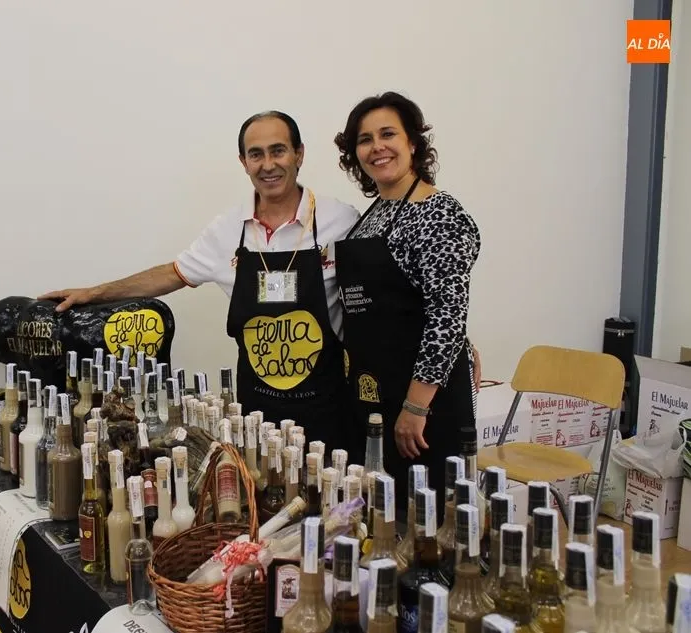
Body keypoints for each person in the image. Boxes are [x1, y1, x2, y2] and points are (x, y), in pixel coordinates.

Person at [39, 111, 359, 452]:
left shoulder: (340, 220)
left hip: (327, 407)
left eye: (278, 150)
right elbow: (172, 274)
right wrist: (93, 293)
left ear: (299, 153)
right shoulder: (227, 230)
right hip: (256, 412)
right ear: (244, 162)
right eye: (256, 154)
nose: (268, 165)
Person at [331, 92, 481, 518]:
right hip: (376, 393)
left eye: (388, 134)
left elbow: (447, 314)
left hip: (422, 406)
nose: (376, 147)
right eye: (365, 139)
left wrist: (416, 407)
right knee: (381, 518)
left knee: (426, 521)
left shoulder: (438, 213)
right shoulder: (375, 213)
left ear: (413, 142)